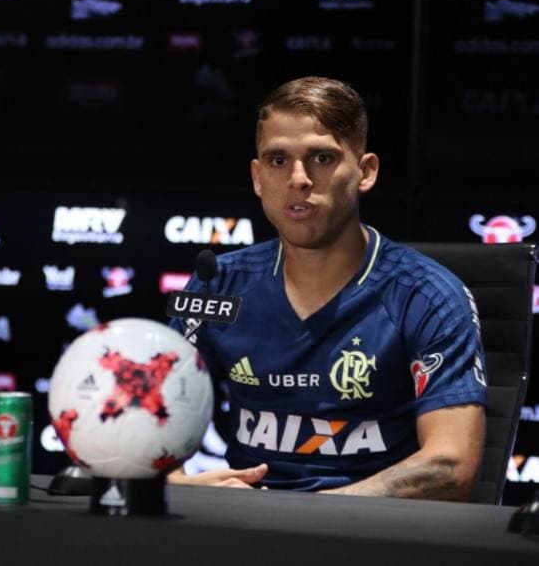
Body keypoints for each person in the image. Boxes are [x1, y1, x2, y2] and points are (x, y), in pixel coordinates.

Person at [168, 76, 487, 500]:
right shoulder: (216, 285)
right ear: (258, 177)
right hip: (244, 520)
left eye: (321, 157)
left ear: (366, 171)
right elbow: (153, 412)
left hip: (371, 529)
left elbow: (451, 465)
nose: (298, 179)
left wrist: (312, 514)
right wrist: (178, 482)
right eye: (278, 160)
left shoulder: (427, 296)